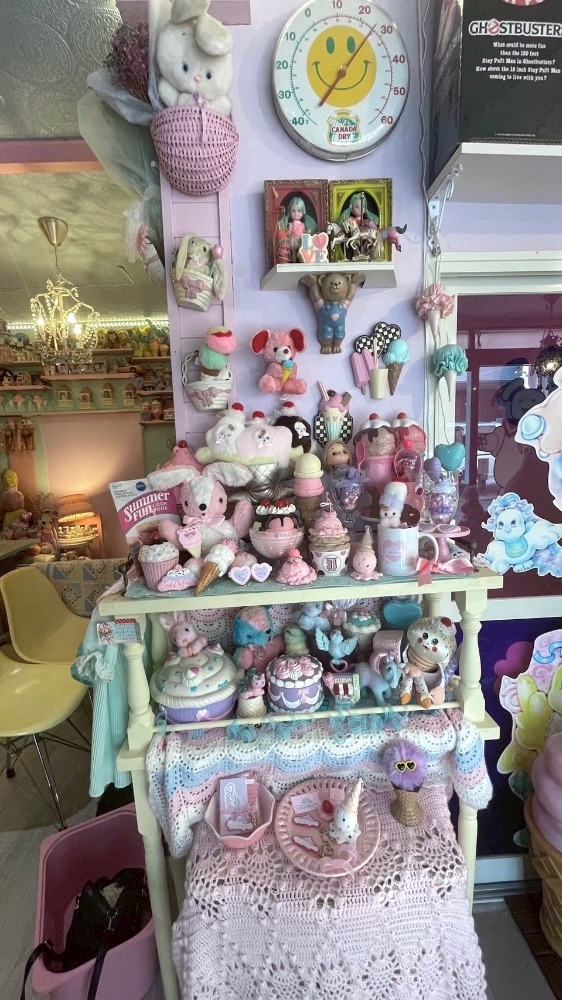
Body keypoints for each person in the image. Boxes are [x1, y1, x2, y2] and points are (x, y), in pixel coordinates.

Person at [277, 196, 317, 262]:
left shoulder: (303, 224)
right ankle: (294, 262)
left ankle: (301, 260)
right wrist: (287, 233)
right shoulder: (291, 224)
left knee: (301, 251)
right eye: (293, 211)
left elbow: (303, 231)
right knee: (293, 252)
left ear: (303, 212)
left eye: (299, 211)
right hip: (293, 239)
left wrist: (307, 231)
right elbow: (289, 232)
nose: (296, 214)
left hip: (300, 240)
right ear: (290, 212)